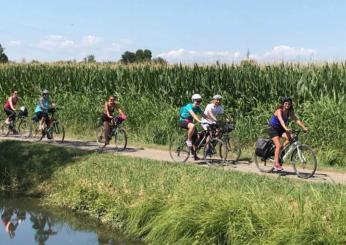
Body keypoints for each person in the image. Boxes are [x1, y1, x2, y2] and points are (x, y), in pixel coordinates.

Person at [268, 97, 308, 171]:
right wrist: (286, 128)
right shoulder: (279, 111)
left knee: (291, 138)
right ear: (283, 104)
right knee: (278, 145)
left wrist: (303, 127)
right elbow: (281, 120)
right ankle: (276, 164)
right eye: (286, 103)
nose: (287, 105)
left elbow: (296, 120)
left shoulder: (289, 112)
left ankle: (281, 150)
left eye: (289, 103)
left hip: (281, 129)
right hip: (273, 128)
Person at [178, 94, 209, 160]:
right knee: (192, 126)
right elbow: (193, 115)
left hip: (189, 123)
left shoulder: (198, 108)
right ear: (193, 100)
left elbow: (204, 116)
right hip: (182, 121)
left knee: (197, 137)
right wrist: (199, 121)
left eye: (200, 101)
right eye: (197, 101)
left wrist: (213, 121)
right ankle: (188, 140)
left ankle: (194, 155)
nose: (199, 102)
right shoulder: (189, 106)